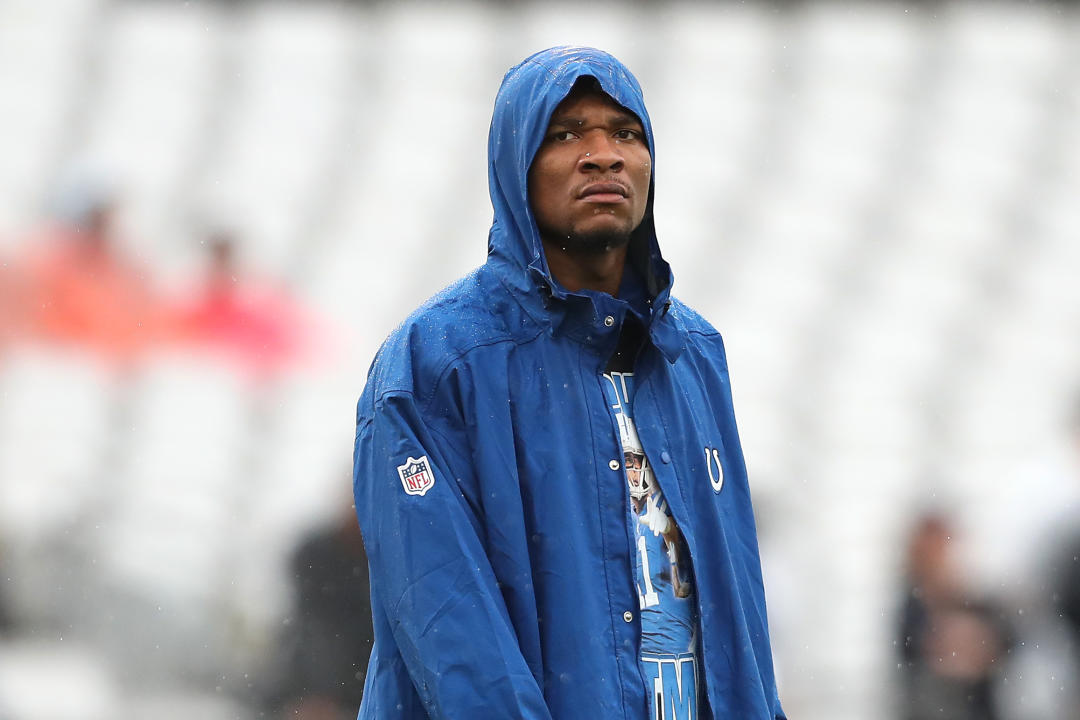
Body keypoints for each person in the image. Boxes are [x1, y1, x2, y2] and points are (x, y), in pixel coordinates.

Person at [352, 46, 785, 719]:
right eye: (565, 134)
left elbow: (739, 612)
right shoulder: (435, 361)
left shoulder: (693, 353)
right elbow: (449, 624)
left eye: (625, 133)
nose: (603, 154)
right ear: (514, 166)